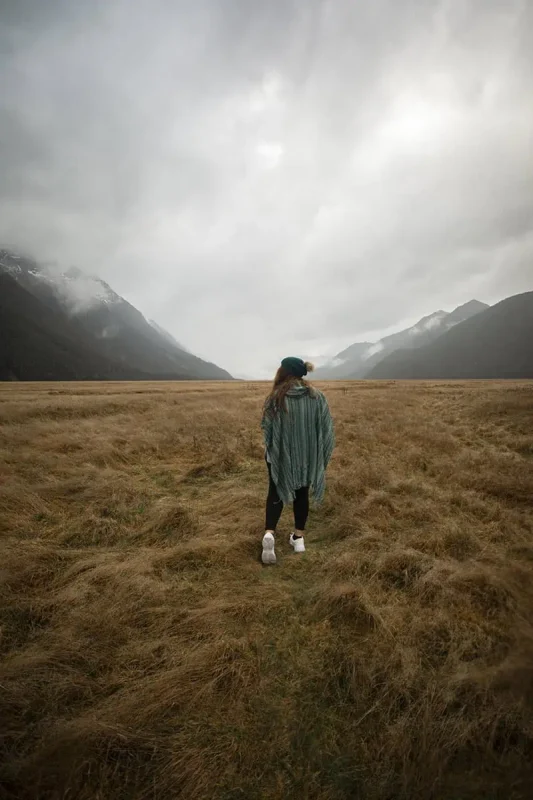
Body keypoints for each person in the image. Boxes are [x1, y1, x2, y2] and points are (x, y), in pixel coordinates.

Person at [260, 356, 335, 564]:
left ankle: (269, 534)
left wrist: (274, 449)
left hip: (280, 455)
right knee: (302, 492)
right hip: (306, 455)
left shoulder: (275, 397)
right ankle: (299, 538)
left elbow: (267, 429)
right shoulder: (317, 397)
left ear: (284, 372)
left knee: (275, 490)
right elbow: (326, 429)